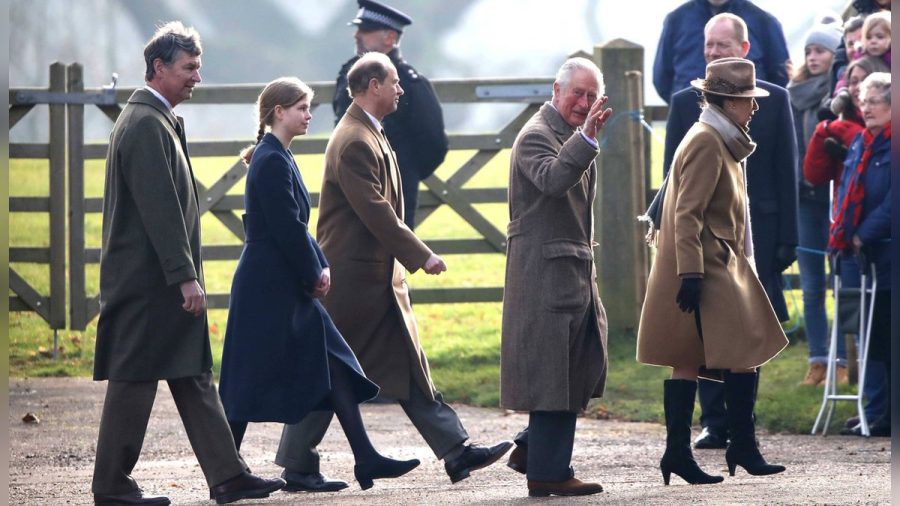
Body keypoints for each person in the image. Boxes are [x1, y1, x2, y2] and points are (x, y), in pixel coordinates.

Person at [273, 52, 511, 492]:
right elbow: (376, 214)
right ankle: (296, 463)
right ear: (372, 86)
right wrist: (422, 255)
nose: (401, 89)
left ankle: (456, 451)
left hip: (375, 281)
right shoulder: (355, 140)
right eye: (395, 82)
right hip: (351, 282)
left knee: (407, 367)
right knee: (326, 373)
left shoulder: (369, 132)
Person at [91, 22, 285, 506]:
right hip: (147, 281)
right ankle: (111, 487)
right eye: (188, 68)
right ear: (158, 68)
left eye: (198, 67)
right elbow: (160, 211)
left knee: (192, 372)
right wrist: (185, 278)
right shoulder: (144, 125)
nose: (196, 77)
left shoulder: (159, 120)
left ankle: (228, 476)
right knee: (134, 377)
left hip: (158, 279)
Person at [217, 77, 419, 490]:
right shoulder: (270, 159)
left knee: (335, 362)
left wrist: (319, 263)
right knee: (244, 378)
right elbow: (287, 227)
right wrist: (314, 271)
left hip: (281, 279)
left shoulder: (277, 155)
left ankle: (365, 458)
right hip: (267, 285)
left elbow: (296, 224)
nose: (309, 115)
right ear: (279, 112)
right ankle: (226, 474)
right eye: (302, 108)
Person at [638, 57, 788, 484]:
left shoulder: (722, 137)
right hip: (707, 263)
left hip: (716, 260)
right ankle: (714, 449)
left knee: (701, 356)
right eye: (746, 100)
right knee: (740, 347)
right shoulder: (708, 140)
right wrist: (690, 274)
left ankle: (709, 450)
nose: (754, 107)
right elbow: (687, 213)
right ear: (725, 101)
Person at [660, 13, 798, 450]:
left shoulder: (772, 104)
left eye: (722, 45)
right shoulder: (697, 121)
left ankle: (739, 438)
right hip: (709, 248)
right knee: (708, 340)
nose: (713, 52)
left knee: (745, 338)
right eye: (708, 45)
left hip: (754, 235)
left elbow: (785, 168)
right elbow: (678, 190)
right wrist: (687, 266)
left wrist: (787, 238)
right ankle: (719, 429)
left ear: (744, 48)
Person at [500, 57, 612, 497]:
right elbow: (552, 180)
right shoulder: (536, 136)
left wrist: (583, 138)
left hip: (571, 272)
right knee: (554, 376)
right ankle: (548, 472)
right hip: (546, 278)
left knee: (579, 365)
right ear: (556, 90)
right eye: (577, 94)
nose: (583, 103)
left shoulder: (568, 134)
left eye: (591, 95)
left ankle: (534, 449)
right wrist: (585, 139)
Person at [332, 0, 448, 229]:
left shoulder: (409, 82)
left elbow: (433, 142)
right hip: (349, 183)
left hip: (395, 188)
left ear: (390, 38)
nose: (357, 35)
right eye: (358, 29)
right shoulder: (350, 73)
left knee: (391, 257)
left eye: (366, 31)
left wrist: (404, 172)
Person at [825, 72, 891, 437]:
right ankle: (876, 409)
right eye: (863, 101)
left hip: (887, 253)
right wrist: (842, 233)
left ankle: (885, 413)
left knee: (886, 334)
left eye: (876, 100)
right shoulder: (862, 144)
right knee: (871, 335)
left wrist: (863, 234)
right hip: (865, 258)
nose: (867, 108)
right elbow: (847, 190)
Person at [788, 20, 846, 386]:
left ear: (834, 55)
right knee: (811, 284)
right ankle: (818, 358)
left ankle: (842, 358)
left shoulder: (841, 95)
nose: (813, 56)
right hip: (805, 196)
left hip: (836, 197)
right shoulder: (793, 93)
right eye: (809, 50)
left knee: (841, 280)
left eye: (821, 50)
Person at [653, 0, 790, 104]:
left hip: (749, 122)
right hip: (691, 120)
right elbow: (662, 79)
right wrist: (685, 107)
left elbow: (779, 76)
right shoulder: (677, 20)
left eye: (723, 45)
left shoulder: (763, 21)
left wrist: (755, 107)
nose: (714, 52)